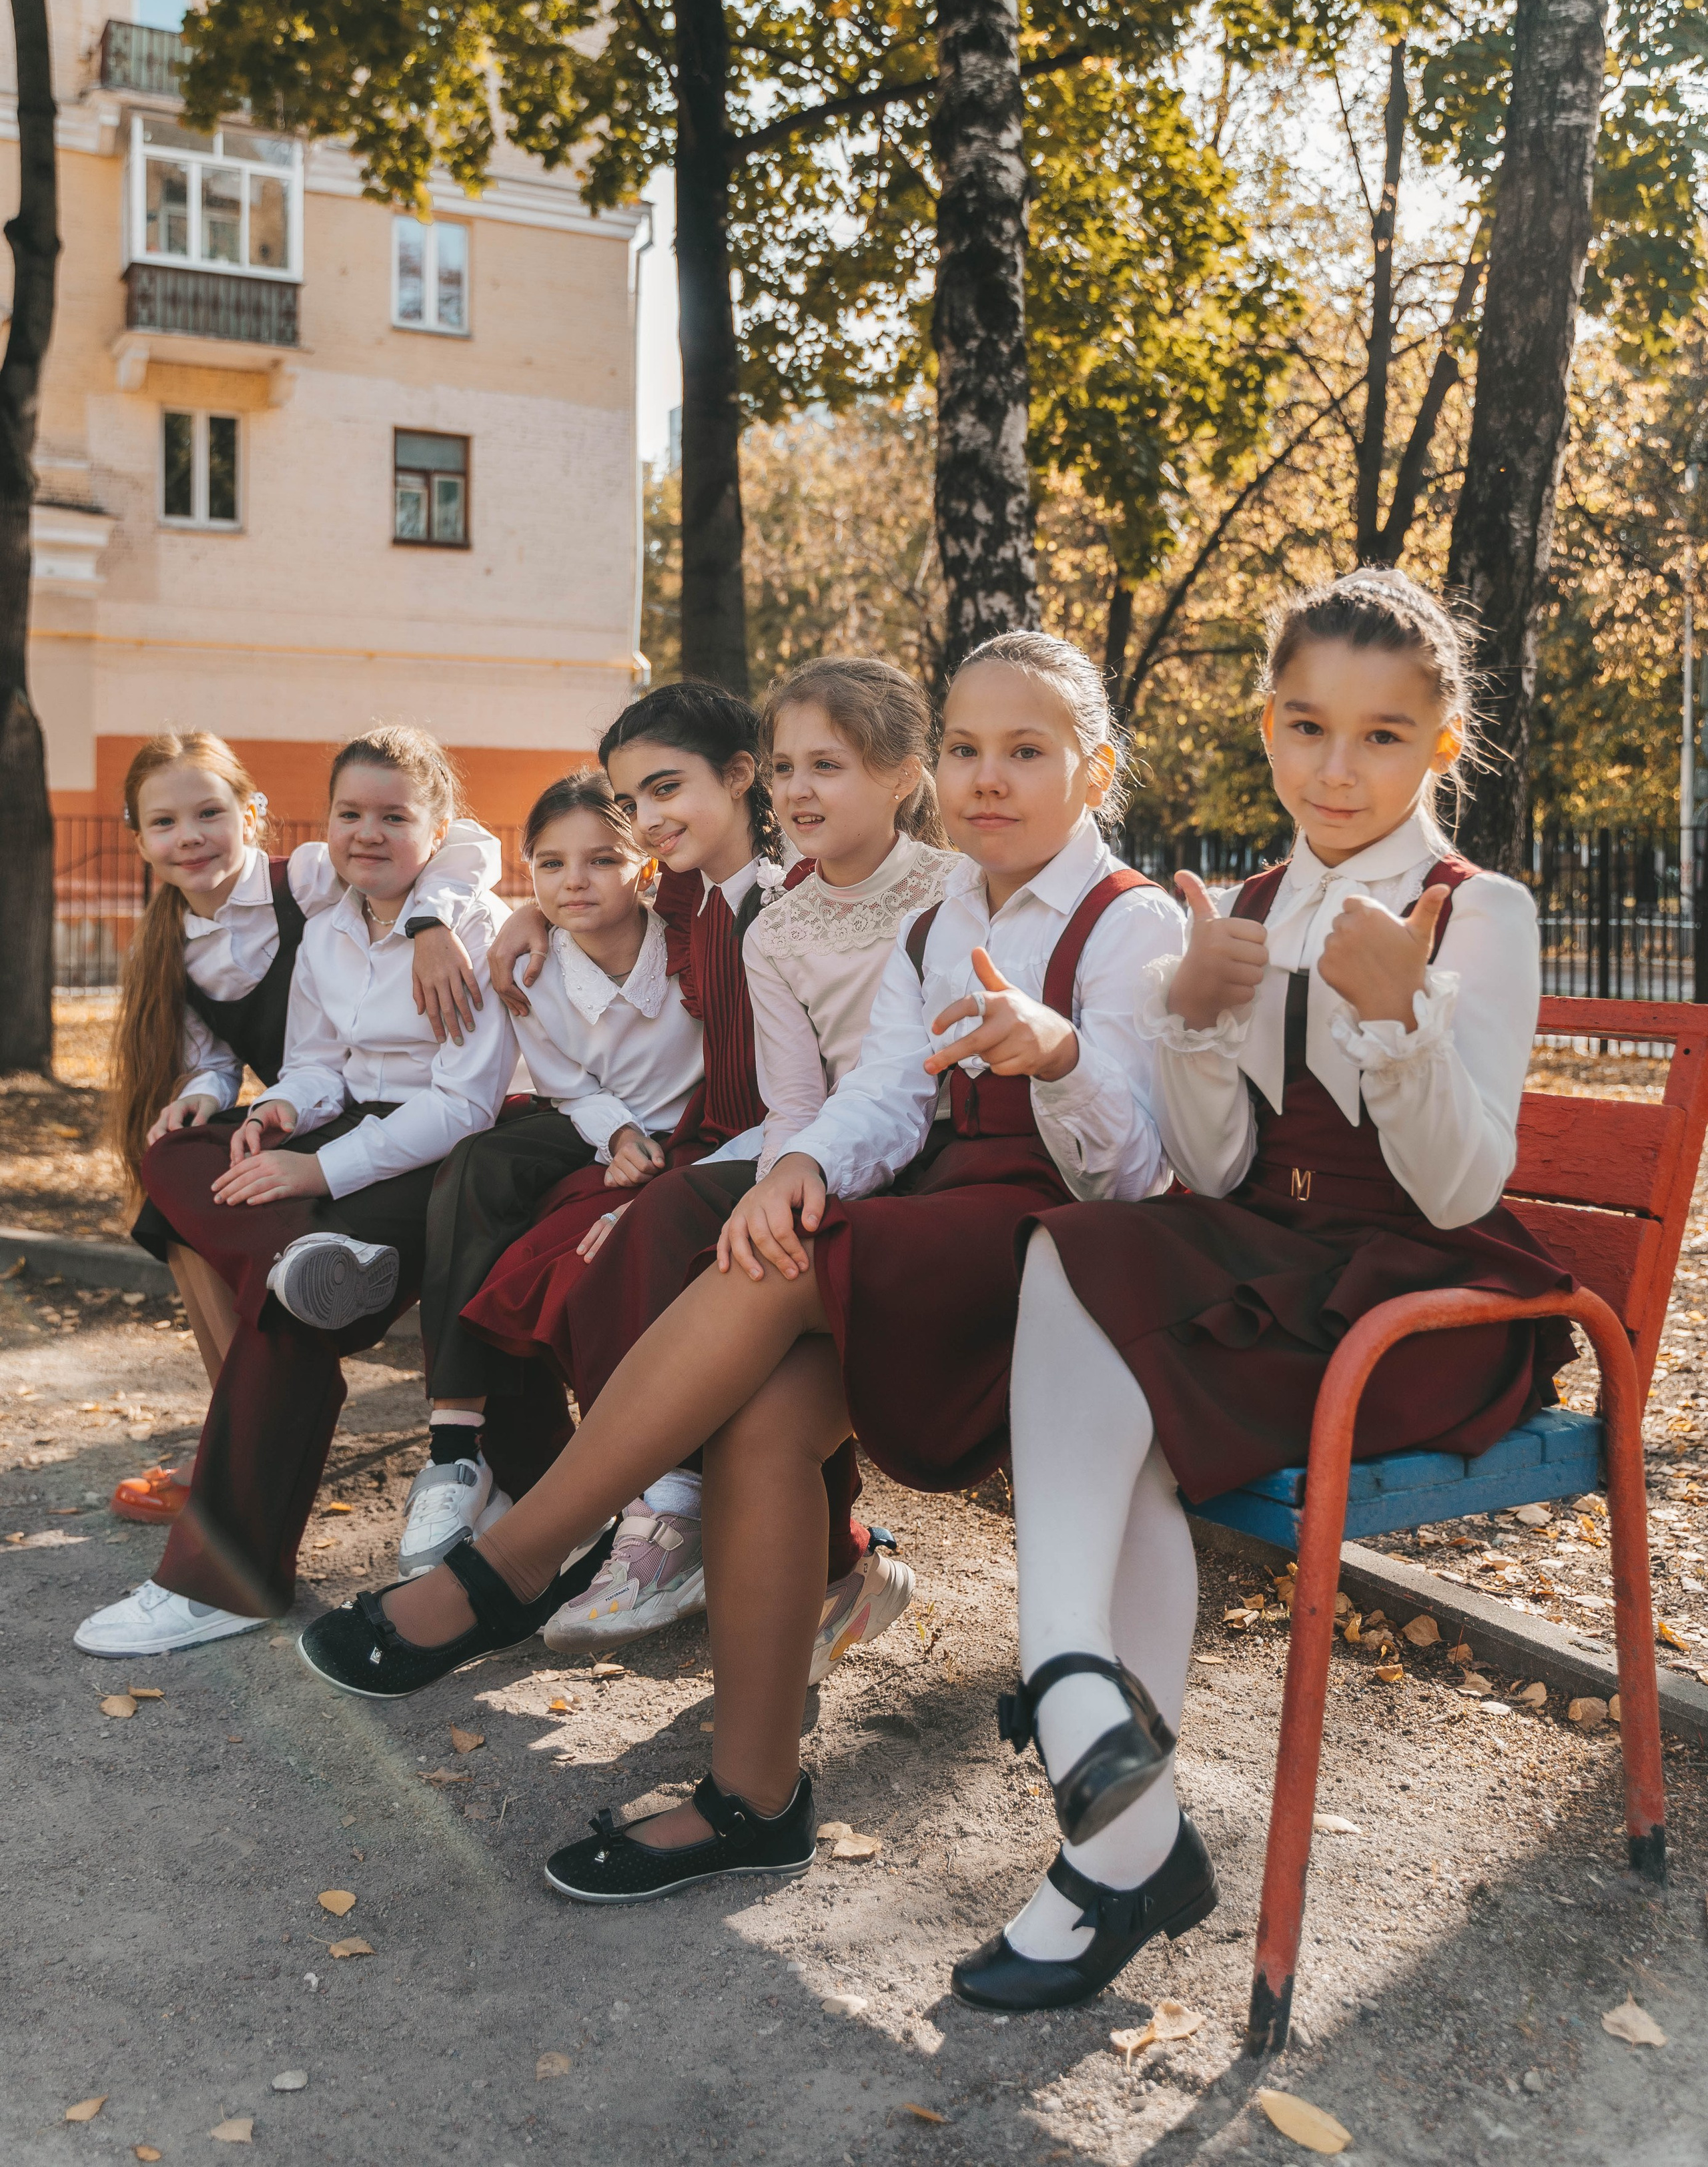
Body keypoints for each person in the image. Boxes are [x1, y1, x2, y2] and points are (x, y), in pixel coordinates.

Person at [296, 631, 1186, 1915]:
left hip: (1064, 1254)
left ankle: (514, 1561)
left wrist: (1058, 1057)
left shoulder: (1132, 918)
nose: (989, 777)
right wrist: (801, 1163)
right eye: (969, 748)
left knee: (778, 1260)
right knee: (766, 1400)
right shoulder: (946, 921)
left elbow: (1138, 1172)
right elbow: (885, 1093)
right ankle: (754, 1799)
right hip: (942, 1222)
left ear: (1093, 771)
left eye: (1026, 751)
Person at [949, 567, 1577, 2014]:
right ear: (1267, 726)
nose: (1335, 768)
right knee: (1076, 1246)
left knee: (1102, 1316)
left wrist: (1398, 1013)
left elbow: (1461, 1184)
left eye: (1379, 735)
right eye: (1305, 726)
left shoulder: (1477, 908)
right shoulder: (1237, 905)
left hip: (1417, 1300)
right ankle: (1116, 1814)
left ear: (1440, 743)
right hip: (1272, 1269)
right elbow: (1216, 1164)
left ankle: (1084, 1751)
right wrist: (1190, 1013)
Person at [471, 655, 954, 1673]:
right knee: (541, 1232)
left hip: (880, 1150)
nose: (646, 819)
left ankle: (687, 1518)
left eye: (665, 788)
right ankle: (589, 1496)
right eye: (631, 802)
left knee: (672, 1230)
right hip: (775, 1141)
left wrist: (749, 1178)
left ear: (735, 779)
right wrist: (528, 910)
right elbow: (789, 1094)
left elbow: (850, 1087)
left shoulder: (808, 896)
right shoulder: (706, 904)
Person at [73, 727, 569, 1659]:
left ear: (433, 829)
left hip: (451, 1146)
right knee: (178, 1155)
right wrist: (280, 1113)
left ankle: (222, 1582)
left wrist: (319, 1169)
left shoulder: (460, 923)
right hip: (350, 1126)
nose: (367, 832)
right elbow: (314, 1063)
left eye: (393, 816)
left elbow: (462, 1106)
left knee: (284, 1315)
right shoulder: (334, 925)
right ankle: (304, 1260)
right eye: (350, 813)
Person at [106, 728, 493, 1524]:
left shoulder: (312, 877)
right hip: (309, 1098)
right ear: (138, 838)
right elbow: (218, 1058)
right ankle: (241, 1420)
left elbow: (461, 843)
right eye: (165, 823)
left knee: (218, 1207)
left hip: (369, 1106)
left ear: (252, 814)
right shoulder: (168, 943)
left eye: (209, 813)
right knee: (174, 1179)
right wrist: (205, 1097)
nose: (190, 837)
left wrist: (429, 923)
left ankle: (251, 1431)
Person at [401, 769, 703, 1574]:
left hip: (699, 1131)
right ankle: (455, 1445)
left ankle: (641, 1483)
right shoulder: (530, 970)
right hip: (595, 1122)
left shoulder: (690, 947)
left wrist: (656, 1148)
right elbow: (569, 1085)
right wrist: (619, 1134)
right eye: (551, 864)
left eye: (602, 859)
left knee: (594, 1253)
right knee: (477, 1162)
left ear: (643, 865)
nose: (575, 881)